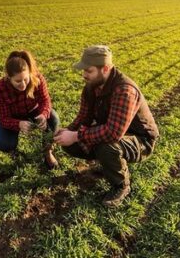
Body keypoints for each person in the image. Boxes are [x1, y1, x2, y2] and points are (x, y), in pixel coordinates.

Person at [54, 45, 159, 207]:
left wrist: (76, 135)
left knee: (106, 145)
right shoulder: (91, 87)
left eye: (89, 71)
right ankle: (107, 164)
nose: (84, 75)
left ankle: (121, 186)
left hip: (140, 140)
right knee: (71, 145)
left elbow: (112, 132)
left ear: (106, 69)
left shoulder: (124, 90)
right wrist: (67, 131)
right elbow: (83, 118)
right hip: (113, 133)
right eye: (84, 71)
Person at [0, 50, 59, 169]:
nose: (23, 85)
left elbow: (45, 101)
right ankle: (12, 150)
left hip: (32, 110)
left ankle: (47, 151)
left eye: (25, 79)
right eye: (18, 81)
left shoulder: (38, 79)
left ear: (29, 72)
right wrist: (18, 124)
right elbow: (4, 118)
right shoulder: (0, 87)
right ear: (9, 77)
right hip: (11, 116)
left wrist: (43, 114)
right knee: (5, 144)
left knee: (53, 118)